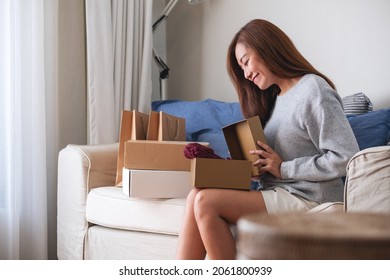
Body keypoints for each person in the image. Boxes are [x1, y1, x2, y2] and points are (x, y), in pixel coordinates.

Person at [175, 19, 359, 260]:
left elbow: (346, 157)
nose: (246, 74)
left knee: (207, 202)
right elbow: (276, 162)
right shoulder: (274, 99)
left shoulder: (313, 90)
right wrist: (251, 167)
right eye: (241, 69)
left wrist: (283, 168)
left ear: (266, 48)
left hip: (310, 197)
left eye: (246, 62)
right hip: (278, 192)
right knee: (195, 195)